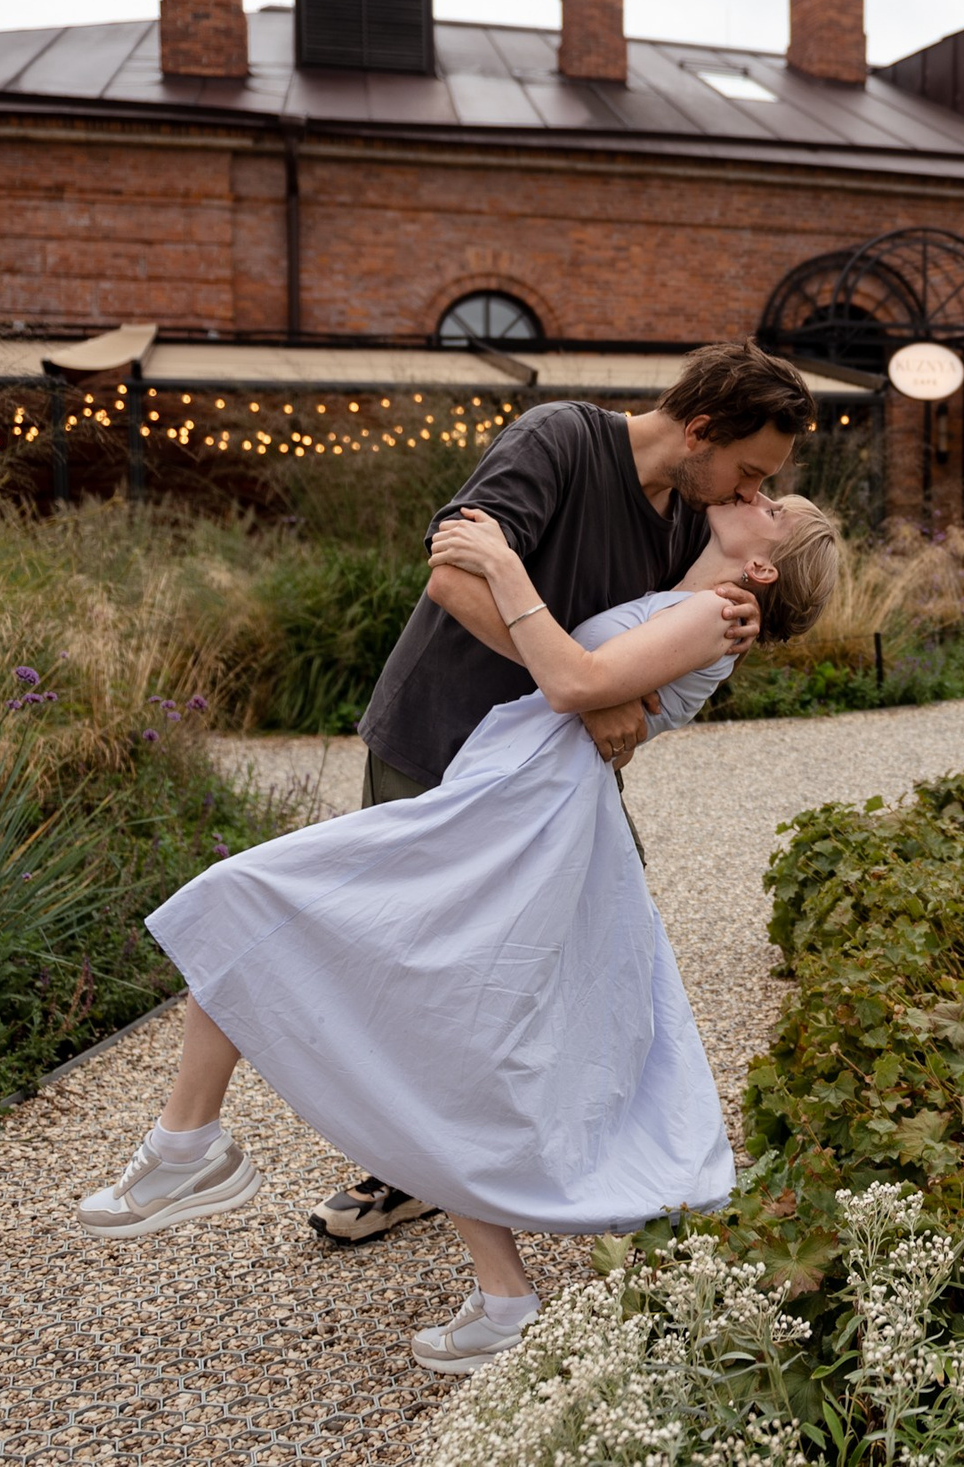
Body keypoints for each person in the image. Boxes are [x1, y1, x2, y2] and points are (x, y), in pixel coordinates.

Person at [74, 492, 842, 1375]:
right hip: (507, 793)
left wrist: (504, 566)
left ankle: (189, 1145)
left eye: (773, 505)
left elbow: (573, 681)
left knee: (250, 898)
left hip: (517, 814)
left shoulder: (716, 614)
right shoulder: (693, 592)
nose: (755, 494)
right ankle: (502, 1295)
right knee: (419, 1020)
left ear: (764, 568)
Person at [309, 341, 814, 1244]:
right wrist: (585, 692)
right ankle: (405, 1166)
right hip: (441, 736)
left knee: (586, 945)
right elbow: (456, 581)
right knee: (418, 962)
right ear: (699, 430)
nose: (749, 493)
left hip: (545, 766)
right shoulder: (557, 439)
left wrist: (703, 632)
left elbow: (663, 639)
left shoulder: (685, 515)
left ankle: (582, 1153)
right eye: (747, 471)